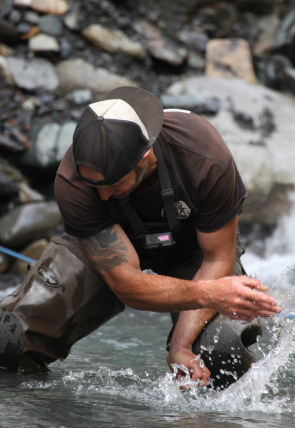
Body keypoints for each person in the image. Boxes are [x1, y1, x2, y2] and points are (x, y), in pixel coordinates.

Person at [0, 86, 281, 380]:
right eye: (96, 187)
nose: (104, 196)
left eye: (113, 184)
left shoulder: (203, 157)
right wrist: (211, 293)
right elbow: (128, 284)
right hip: (105, 250)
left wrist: (181, 345)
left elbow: (216, 259)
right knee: (10, 340)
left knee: (221, 352)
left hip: (194, 251)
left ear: (145, 157)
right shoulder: (74, 181)